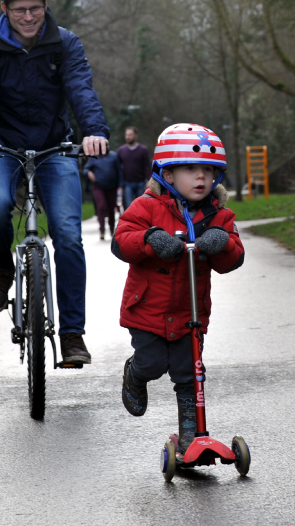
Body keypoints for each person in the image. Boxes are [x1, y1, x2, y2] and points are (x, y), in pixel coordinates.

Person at [0, 0, 109, 365]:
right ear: (5, 8)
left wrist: (93, 130)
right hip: (0, 139)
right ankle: (3, 269)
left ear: (45, 7)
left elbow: (80, 89)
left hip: (54, 143)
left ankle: (73, 334)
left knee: (69, 236)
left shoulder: (65, 44)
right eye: (20, 9)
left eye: (35, 9)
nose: (28, 17)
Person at [111, 124, 245, 452]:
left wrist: (222, 242)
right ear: (167, 175)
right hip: (148, 311)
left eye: (208, 170)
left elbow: (235, 257)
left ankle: (191, 432)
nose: (201, 177)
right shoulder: (146, 207)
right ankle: (135, 374)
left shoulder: (219, 215)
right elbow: (121, 241)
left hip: (190, 314)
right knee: (153, 363)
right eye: (190, 169)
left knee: (189, 372)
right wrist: (149, 239)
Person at [84, 149, 121, 240]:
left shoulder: (114, 156)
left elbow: (119, 171)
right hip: (98, 186)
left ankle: (112, 228)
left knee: (111, 208)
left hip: (112, 187)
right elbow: (85, 169)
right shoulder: (94, 157)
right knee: (101, 206)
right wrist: (89, 173)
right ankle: (102, 230)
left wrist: (120, 186)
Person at [118, 126, 153, 210]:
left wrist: (148, 180)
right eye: (126, 135)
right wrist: (120, 184)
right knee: (129, 207)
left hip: (140, 183)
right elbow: (118, 169)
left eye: (130, 135)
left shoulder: (143, 150)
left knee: (141, 206)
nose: (128, 137)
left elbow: (147, 166)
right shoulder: (121, 151)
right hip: (127, 183)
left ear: (135, 136)